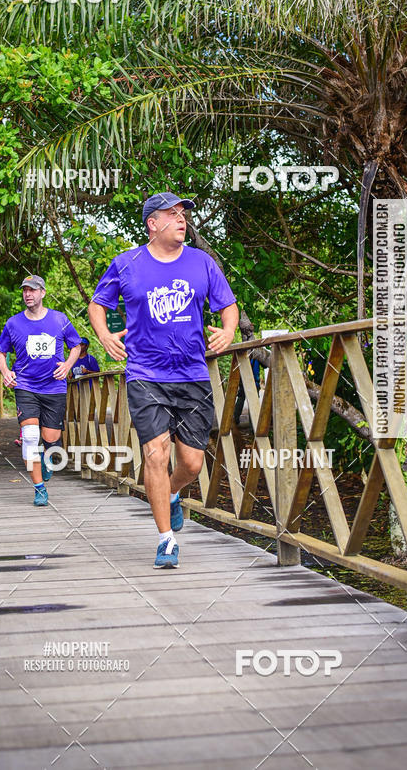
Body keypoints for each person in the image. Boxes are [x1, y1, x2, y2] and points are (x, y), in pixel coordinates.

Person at [88, 192, 238, 568]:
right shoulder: (127, 264)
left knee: (191, 463)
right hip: (145, 373)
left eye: (183, 213)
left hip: (191, 374)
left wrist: (229, 331)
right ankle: (166, 539)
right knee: (156, 453)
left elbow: (228, 305)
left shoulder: (202, 262)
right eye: (172, 214)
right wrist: (104, 335)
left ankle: (170, 494)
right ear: (152, 224)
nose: (182, 219)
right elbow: (97, 304)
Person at [0, 274, 82, 506]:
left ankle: (46, 459)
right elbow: (0, 353)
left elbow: (76, 345)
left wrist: (67, 365)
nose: (28, 294)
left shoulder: (59, 319)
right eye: (25, 290)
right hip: (25, 385)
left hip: (54, 387)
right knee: (31, 437)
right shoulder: (13, 323)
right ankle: (39, 488)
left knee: (51, 439)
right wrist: (6, 372)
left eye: (32, 290)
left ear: (42, 292)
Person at [233, 355, 261, 425]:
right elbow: (265, 365)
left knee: (241, 400)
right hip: (254, 382)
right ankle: (253, 425)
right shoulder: (258, 354)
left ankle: (235, 421)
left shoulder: (242, 354)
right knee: (253, 404)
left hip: (243, 381)